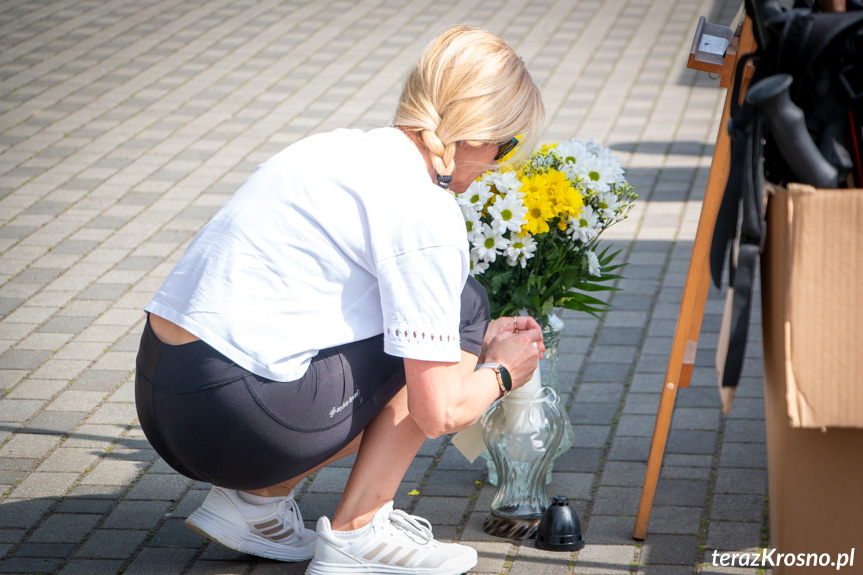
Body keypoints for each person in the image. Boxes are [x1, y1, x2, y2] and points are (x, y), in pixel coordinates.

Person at [135, 25, 545, 575]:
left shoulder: (332, 147)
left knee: (430, 324)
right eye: (506, 145)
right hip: (235, 419)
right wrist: (501, 371)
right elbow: (441, 411)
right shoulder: (425, 207)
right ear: (477, 134)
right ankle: (361, 532)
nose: (499, 162)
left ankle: (253, 504)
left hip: (163, 400)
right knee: (465, 306)